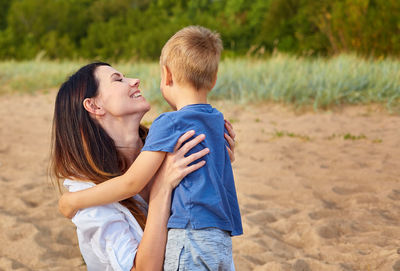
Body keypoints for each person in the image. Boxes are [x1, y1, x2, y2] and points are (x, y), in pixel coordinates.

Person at [59, 25, 242, 270]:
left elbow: (131, 183)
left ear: (167, 76)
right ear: (93, 106)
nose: (135, 80)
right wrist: (163, 187)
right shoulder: (87, 190)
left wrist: (213, 160)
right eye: (118, 79)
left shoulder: (168, 133)